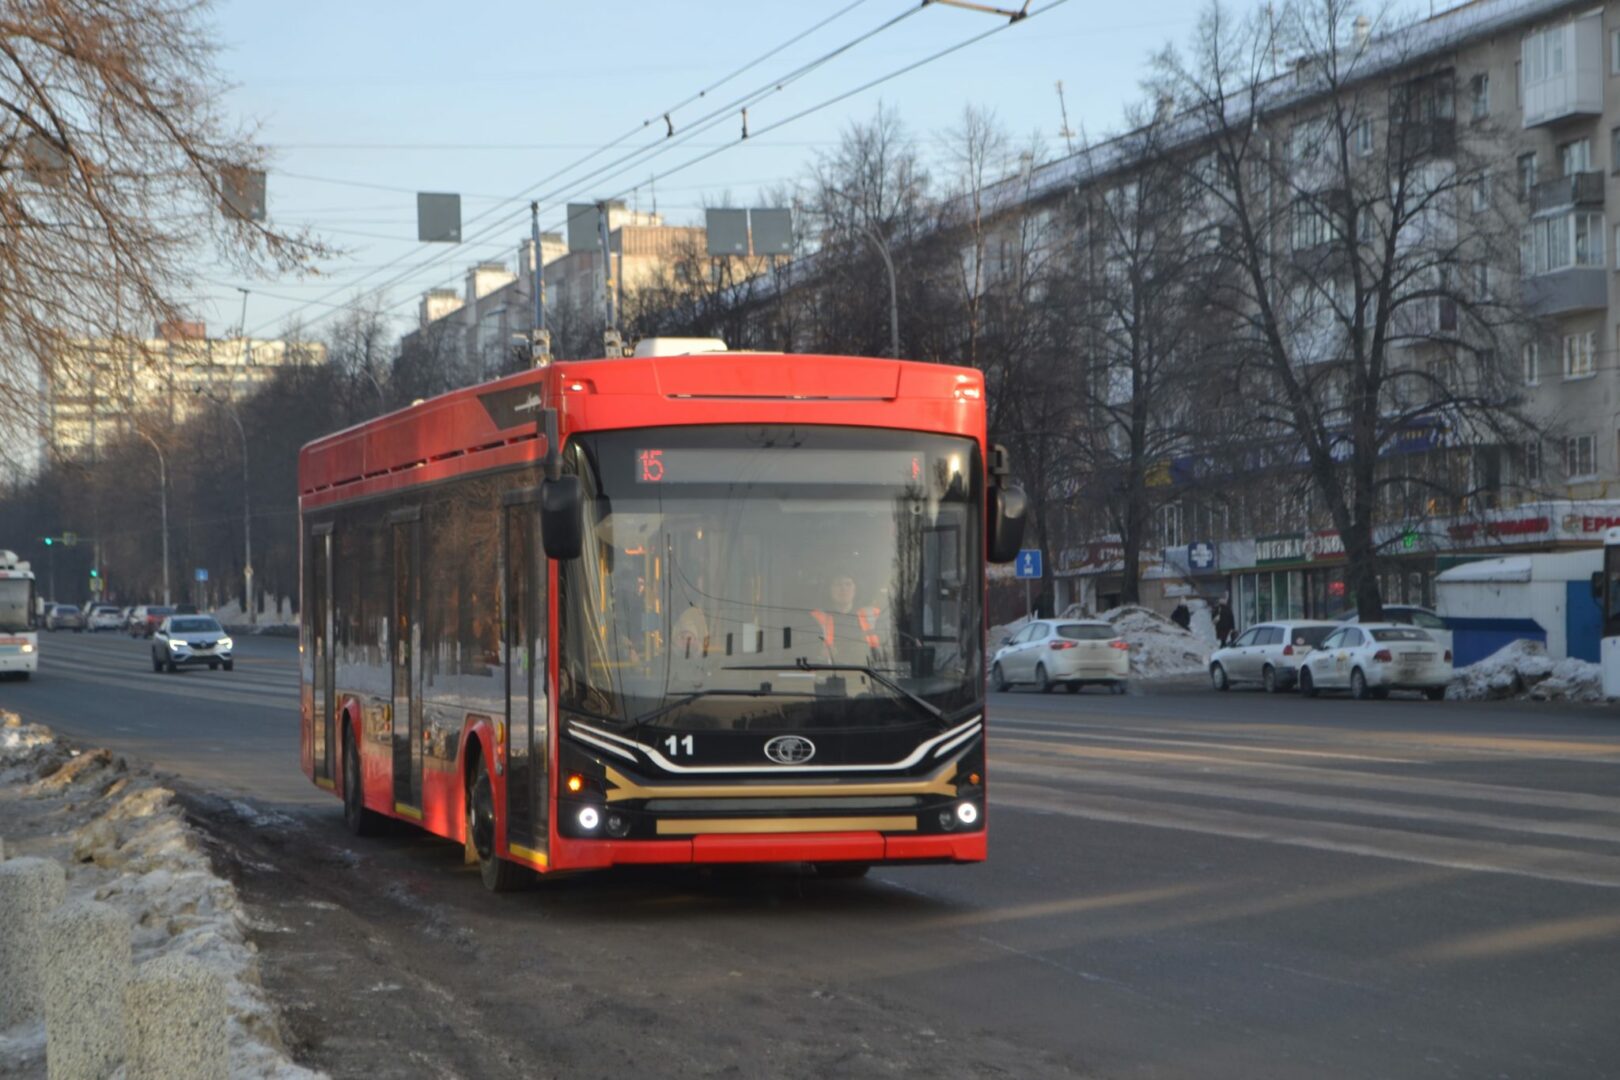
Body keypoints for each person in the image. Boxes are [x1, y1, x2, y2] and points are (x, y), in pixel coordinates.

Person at [809, 573, 882, 666]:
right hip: (828, 672)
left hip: (869, 674)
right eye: (838, 584)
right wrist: (819, 653)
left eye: (848, 584)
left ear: (855, 589)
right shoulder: (815, 618)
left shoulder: (873, 616)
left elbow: (886, 651)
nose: (843, 588)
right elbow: (805, 652)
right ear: (829, 590)